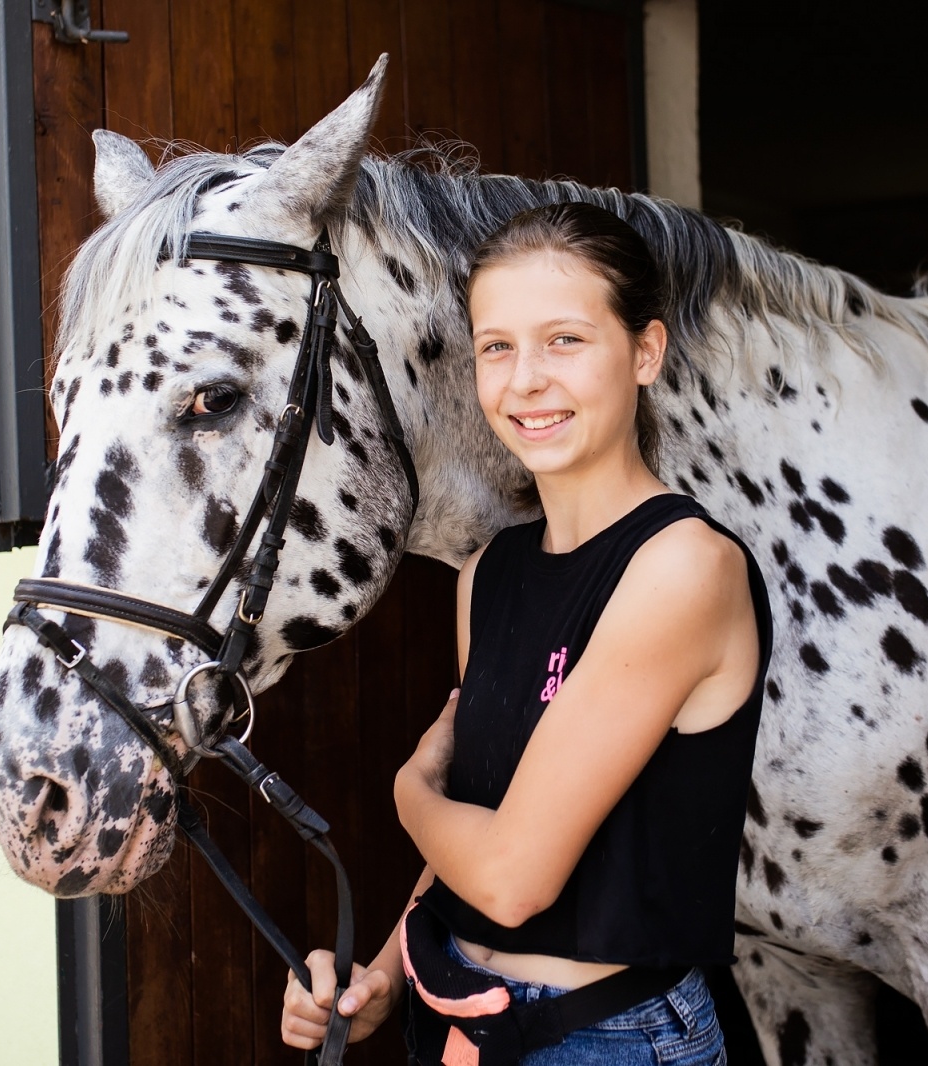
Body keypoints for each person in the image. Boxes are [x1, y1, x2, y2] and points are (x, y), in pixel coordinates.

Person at [281, 201, 772, 1065]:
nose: (525, 380)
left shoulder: (683, 569)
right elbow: (475, 840)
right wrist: (383, 979)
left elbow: (511, 877)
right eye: (497, 346)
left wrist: (406, 791)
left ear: (645, 352)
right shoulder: (487, 576)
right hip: (458, 1013)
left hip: (608, 1038)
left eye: (566, 341)